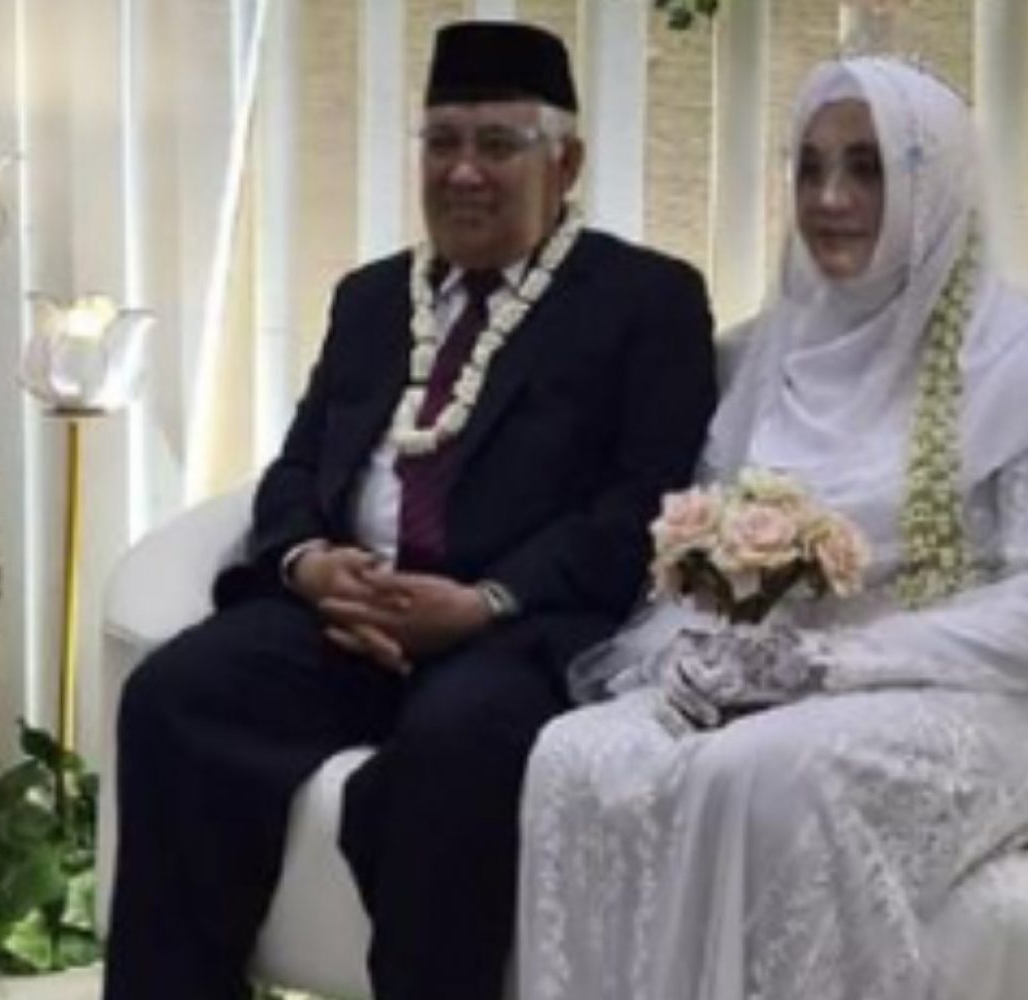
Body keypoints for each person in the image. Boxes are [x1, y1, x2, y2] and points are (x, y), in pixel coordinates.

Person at [103, 21, 716, 1000]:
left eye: (497, 144)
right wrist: (307, 563)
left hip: (511, 630)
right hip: (345, 618)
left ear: (566, 164)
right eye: (442, 142)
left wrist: (484, 602)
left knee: (455, 750)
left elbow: (643, 504)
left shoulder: (646, 299)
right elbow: (297, 468)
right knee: (175, 695)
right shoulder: (372, 298)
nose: (463, 172)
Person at [516, 56, 1028, 1000]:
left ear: (936, 182)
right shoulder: (779, 349)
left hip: (991, 692)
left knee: (767, 773)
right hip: (776, 677)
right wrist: (693, 653)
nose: (830, 198)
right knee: (575, 755)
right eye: (809, 168)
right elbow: (703, 545)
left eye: (867, 168)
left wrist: (835, 664)